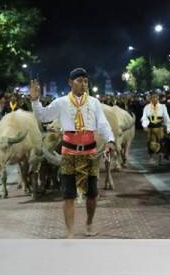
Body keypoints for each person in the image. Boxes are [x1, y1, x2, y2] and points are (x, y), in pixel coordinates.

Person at [30, 68, 115, 238]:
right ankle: (70, 232)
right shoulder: (61, 102)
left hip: (90, 152)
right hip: (69, 153)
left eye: (85, 81)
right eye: (79, 80)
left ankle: (89, 222)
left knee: (93, 194)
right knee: (68, 195)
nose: (83, 84)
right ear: (70, 82)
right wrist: (35, 100)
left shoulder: (94, 102)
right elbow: (43, 116)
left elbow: (103, 124)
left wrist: (110, 140)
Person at [141, 90, 170, 164]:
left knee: (160, 142)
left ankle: (160, 158)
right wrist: (144, 125)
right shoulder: (147, 107)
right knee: (150, 142)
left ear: (158, 98)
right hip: (150, 127)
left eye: (156, 97)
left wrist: (168, 127)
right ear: (150, 98)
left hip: (159, 127)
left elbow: (166, 118)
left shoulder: (162, 107)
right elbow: (144, 117)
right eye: (153, 97)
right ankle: (151, 157)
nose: (154, 99)